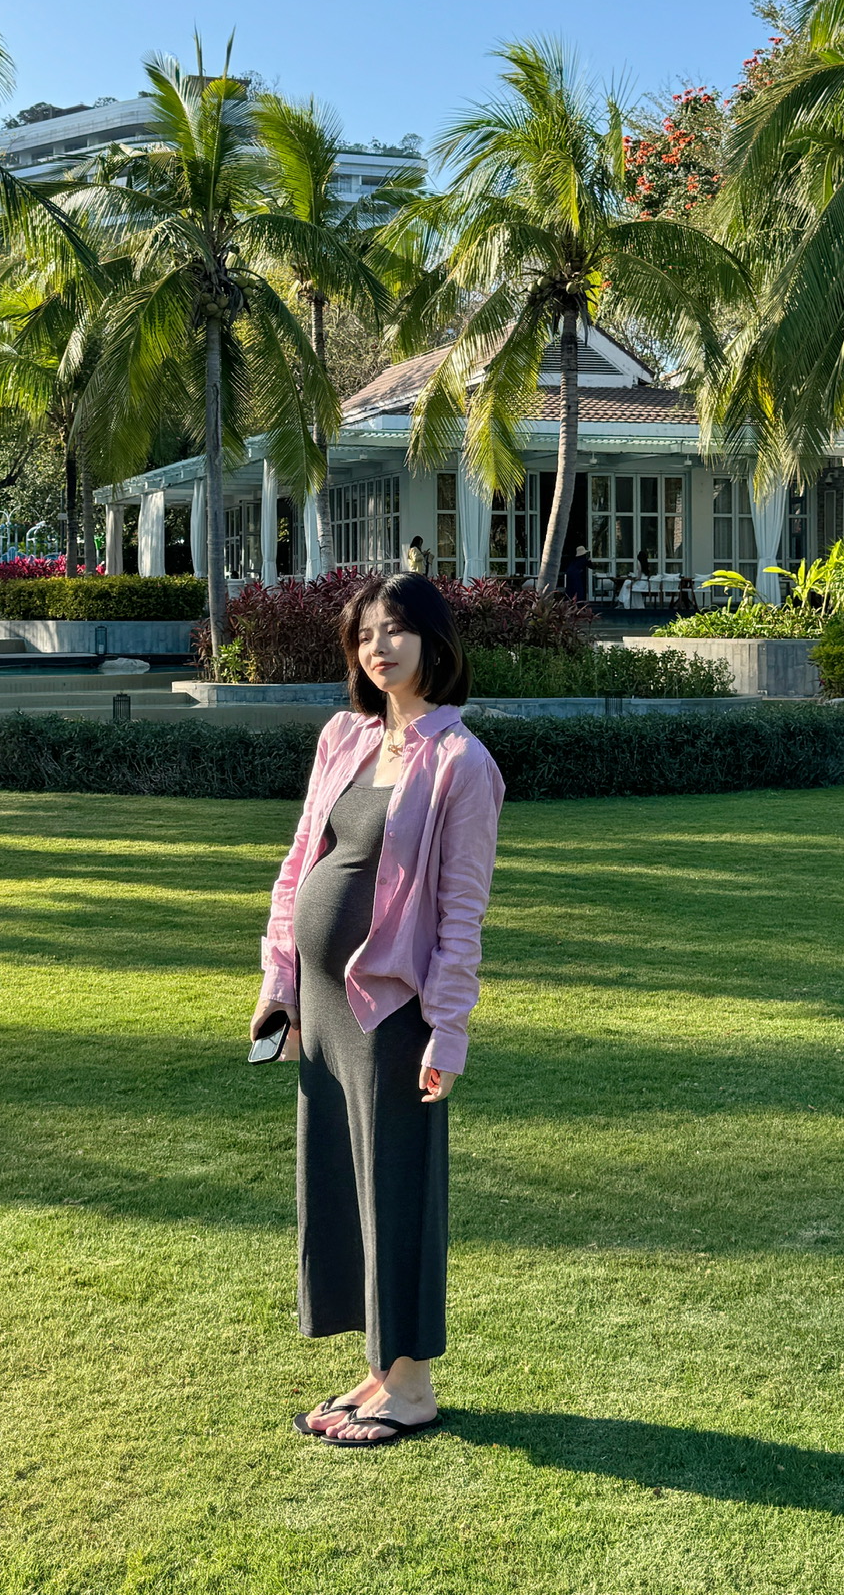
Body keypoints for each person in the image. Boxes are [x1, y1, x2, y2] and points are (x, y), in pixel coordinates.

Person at [252, 572, 504, 1446]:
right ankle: (379, 1367)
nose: (378, 647)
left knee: (397, 1187)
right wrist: (279, 987)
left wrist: (448, 1031)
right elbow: (298, 864)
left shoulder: (462, 763)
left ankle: (414, 1387)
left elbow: (462, 914)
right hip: (323, 1004)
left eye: (395, 629)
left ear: (434, 641)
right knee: (342, 1182)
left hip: (392, 1010)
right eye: (364, 634)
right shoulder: (344, 737)